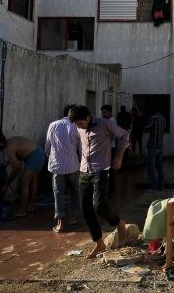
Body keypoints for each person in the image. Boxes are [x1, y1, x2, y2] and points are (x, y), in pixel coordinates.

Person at [69, 105, 131, 258]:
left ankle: (119, 224)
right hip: (84, 171)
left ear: (88, 118)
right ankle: (99, 243)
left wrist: (120, 156)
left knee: (99, 205)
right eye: (76, 124)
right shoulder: (79, 128)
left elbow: (124, 136)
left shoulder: (106, 124)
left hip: (101, 170)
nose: (78, 126)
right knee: (85, 210)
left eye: (80, 123)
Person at [0, 133, 45, 218]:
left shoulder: (9, 149)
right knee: (33, 181)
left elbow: (16, 168)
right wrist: (7, 163)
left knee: (24, 182)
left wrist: (6, 184)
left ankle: (22, 211)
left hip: (34, 156)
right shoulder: (12, 141)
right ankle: (30, 206)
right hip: (39, 153)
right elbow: (21, 152)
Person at [45, 104, 81, 232]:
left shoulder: (53, 125)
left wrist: (52, 157)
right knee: (75, 192)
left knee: (58, 193)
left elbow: (47, 147)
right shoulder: (77, 126)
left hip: (57, 166)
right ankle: (75, 218)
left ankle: (60, 223)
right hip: (73, 165)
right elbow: (80, 148)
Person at [139, 110, 166, 190]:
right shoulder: (163, 119)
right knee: (159, 167)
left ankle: (154, 186)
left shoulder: (153, 118)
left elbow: (146, 128)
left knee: (151, 167)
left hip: (153, 146)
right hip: (160, 146)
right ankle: (161, 185)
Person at [101, 104, 118, 198]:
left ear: (110, 112)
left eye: (105, 112)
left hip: (110, 148)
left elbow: (112, 135)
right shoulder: (107, 121)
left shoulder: (111, 121)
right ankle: (109, 190)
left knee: (110, 170)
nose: (103, 114)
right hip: (107, 147)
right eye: (102, 112)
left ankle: (111, 190)